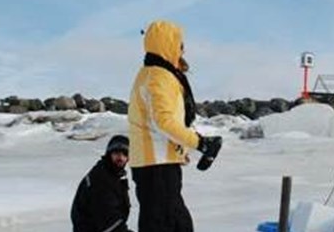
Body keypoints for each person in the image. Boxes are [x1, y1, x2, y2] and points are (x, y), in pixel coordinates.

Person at [128, 20, 222, 232]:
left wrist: (181, 148)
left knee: (162, 223)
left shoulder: (153, 74)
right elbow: (164, 121)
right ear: (166, 44)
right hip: (157, 165)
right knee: (174, 225)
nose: (182, 49)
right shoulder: (159, 76)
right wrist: (199, 143)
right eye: (179, 44)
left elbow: (163, 122)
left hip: (157, 164)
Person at [71, 134, 133, 232]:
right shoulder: (100, 179)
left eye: (125, 154)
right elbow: (108, 219)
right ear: (109, 154)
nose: (120, 157)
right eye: (116, 153)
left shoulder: (113, 176)